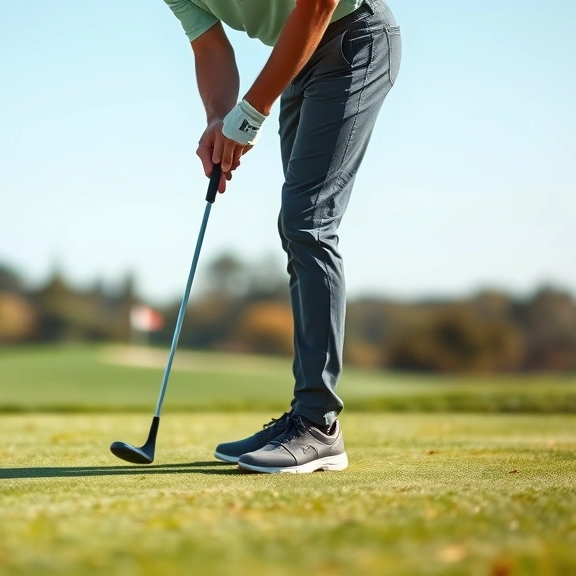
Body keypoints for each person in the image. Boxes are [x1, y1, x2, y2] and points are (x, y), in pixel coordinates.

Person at [161, 0, 401, 473]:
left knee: (308, 221)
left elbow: (319, 4)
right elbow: (210, 48)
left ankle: (318, 423)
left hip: (353, 37)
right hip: (295, 58)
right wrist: (219, 119)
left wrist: (250, 112)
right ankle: (305, 414)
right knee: (298, 228)